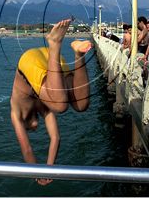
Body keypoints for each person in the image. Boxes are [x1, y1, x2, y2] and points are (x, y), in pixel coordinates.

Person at [10, 19, 93, 185]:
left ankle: (55, 43)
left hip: (29, 60)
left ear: (27, 125)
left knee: (60, 106)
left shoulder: (15, 113)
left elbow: (27, 149)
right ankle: (78, 54)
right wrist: (49, 169)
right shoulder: (43, 108)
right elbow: (55, 137)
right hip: (50, 58)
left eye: (31, 130)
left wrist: (37, 175)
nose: (35, 128)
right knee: (81, 104)